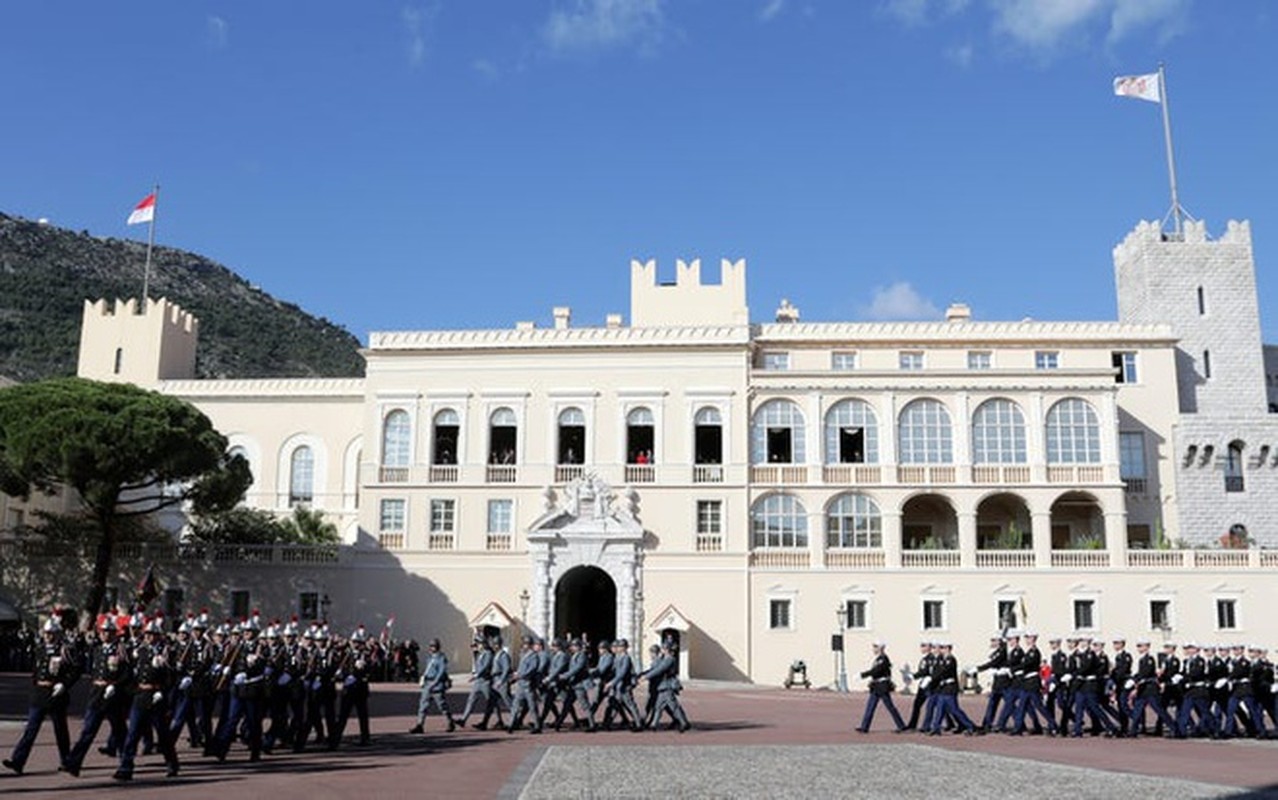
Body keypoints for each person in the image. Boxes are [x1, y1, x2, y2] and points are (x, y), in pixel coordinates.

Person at [4, 613, 78, 776]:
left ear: (58, 634)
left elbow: (75, 670)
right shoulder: (40, 649)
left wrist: (64, 684)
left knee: (60, 730)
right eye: (46, 633)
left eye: (51, 634)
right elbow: (36, 671)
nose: (48, 637)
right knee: (31, 729)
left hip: (55, 694)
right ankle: (18, 761)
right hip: (39, 694)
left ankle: (66, 760)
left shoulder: (64, 650)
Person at [63, 613, 131, 777]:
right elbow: (92, 671)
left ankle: (126, 766)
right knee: (88, 731)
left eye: (108, 631)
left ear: (114, 633)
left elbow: (127, 673)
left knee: (120, 733)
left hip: (113, 696)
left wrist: (115, 685)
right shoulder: (97, 650)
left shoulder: (120, 650)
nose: (105, 634)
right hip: (97, 694)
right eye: (103, 631)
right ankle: (74, 762)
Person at [114, 617, 179, 781]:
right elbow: (132, 674)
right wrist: (133, 691)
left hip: (156, 697)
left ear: (158, 635)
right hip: (141, 696)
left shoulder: (166, 652)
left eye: (152, 634)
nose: (149, 637)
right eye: (147, 634)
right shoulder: (140, 651)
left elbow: (171, 677)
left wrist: (162, 691)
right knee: (133, 733)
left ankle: (172, 762)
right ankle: (126, 766)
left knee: (163, 734)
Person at [924, 642, 975, 735]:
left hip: (950, 688)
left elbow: (944, 671)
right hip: (943, 688)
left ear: (948, 649)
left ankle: (970, 726)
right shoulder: (942, 659)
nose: (941, 650)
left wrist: (932, 678)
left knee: (954, 709)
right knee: (940, 708)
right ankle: (936, 728)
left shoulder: (951, 660)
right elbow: (938, 670)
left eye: (943, 648)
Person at [1129, 639, 1176, 737]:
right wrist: (1134, 679)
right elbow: (1140, 673)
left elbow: (1145, 673)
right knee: (1137, 709)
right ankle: (1133, 730)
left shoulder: (1150, 659)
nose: (1139, 648)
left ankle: (1174, 728)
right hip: (1143, 689)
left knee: (1159, 710)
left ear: (1147, 647)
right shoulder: (1142, 659)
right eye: (1138, 646)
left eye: (1141, 646)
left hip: (1150, 689)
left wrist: (1135, 681)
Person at [856, 641, 905, 733]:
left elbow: (876, 671)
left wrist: (862, 675)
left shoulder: (884, 659)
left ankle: (901, 725)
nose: (874, 649)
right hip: (876, 686)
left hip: (882, 686)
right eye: (874, 647)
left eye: (876, 647)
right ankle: (864, 727)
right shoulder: (878, 659)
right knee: (870, 707)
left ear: (881, 648)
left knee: (890, 707)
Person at [410, 638, 456, 733]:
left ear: (438, 647)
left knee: (442, 706)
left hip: (436, 686)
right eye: (430, 646)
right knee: (423, 706)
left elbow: (441, 672)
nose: (431, 648)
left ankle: (450, 721)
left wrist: (435, 682)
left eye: (433, 646)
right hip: (428, 684)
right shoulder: (430, 658)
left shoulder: (441, 658)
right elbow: (428, 670)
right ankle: (420, 724)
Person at [456, 635, 496, 728]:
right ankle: (463, 719)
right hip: (478, 681)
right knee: (471, 700)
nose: (477, 646)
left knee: (491, 701)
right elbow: (478, 666)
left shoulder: (488, 653)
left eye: (478, 644)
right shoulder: (480, 654)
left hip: (485, 681)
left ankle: (496, 720)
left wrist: (476, 675)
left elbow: (485, 666)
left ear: (483, 644)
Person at [507, 636, 543, 734]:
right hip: (520, 685)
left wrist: (519, 675)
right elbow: (521, 668)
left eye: (525, 644)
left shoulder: (534, 656)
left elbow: (531, 670)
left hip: (528, 684)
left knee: (532, 706)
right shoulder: (523, 654)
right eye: (523, 644)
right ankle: (511, 724)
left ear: (529, 645)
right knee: (515, 705)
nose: (523, 645)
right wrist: (516, 674)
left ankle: (537, 725)